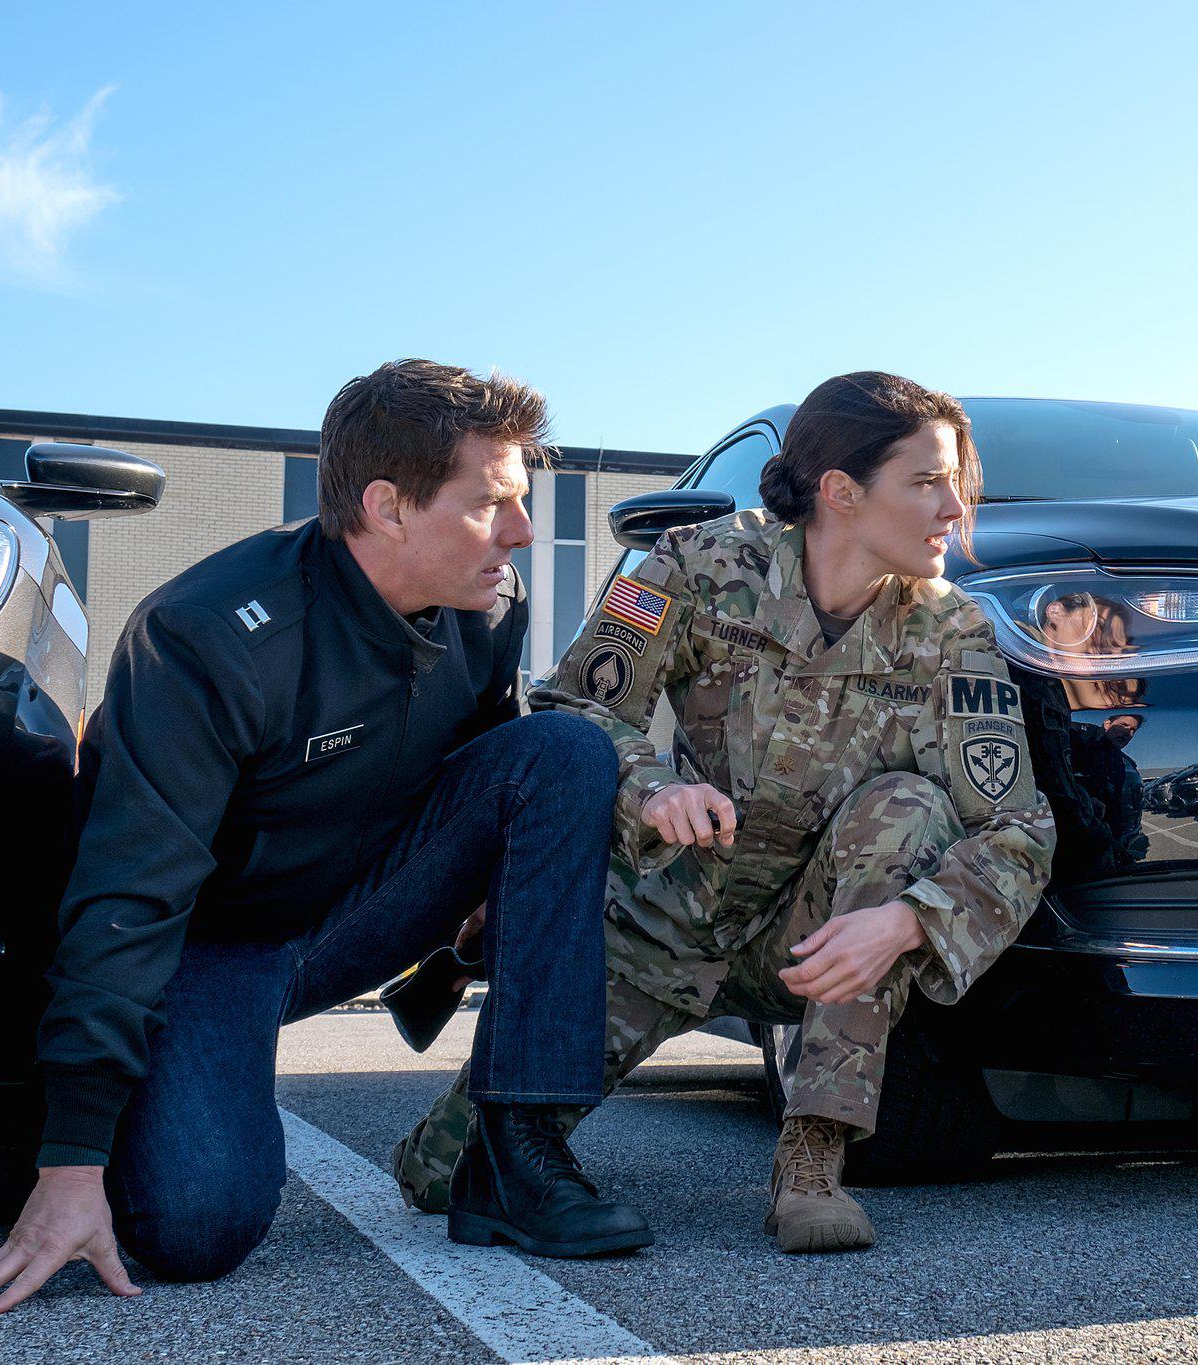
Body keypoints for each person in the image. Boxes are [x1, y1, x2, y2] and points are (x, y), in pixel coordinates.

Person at [0, 360, 649, 1318]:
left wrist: (494, 900)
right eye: (492, 504)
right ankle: (92, 1094)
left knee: (563, 751)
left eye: (522, 501)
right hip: (208, 945)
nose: (522, 531)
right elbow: (129, 894)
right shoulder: (206, 637)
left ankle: (514, 1158)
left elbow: (491, 766)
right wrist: (72, 1157)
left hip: (355, 914)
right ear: (387, 507)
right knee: (198, 1225)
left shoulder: (490, 603)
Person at [394, 371, 1057, 1253]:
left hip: (810, 941)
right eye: (929, 481)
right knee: (442, 1176)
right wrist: (652, 788)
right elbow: (574, 708)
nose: (956, 508)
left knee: (907, 807)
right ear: (841, 491)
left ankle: (813, 1157)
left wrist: (907, 920)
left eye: (956, 482)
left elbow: (1016, 830)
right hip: (660, 919)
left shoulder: (952, 633)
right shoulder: (695, 564)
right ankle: (468, 971)